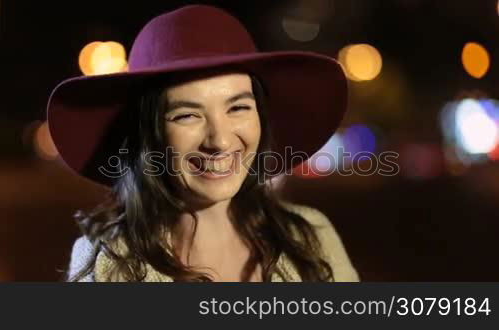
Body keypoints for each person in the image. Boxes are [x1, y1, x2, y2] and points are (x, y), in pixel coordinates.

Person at [47, 5, 359, 282]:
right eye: (186, 115)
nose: (220, 141)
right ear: (149, 135)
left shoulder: (310, 237)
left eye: (238, 107)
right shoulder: (108, 267)